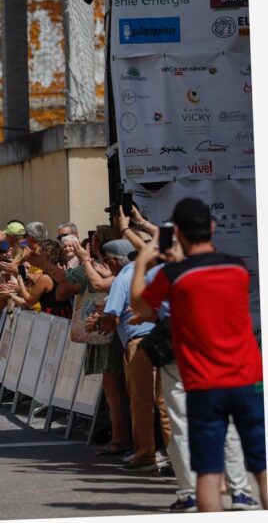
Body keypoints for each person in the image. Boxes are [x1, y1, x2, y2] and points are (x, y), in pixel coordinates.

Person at [132, 197, 266, 511]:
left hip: (205, 382)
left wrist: (143, 262)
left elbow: (139, 305)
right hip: (248, 377)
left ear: (177, 233)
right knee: (260, 464)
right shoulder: (238, 267)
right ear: (213, 227)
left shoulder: (174, 275)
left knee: (207, 471)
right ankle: (244, 495)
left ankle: (195, 499)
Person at [87, 239, 170, 472]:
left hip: (140, 344)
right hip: (164, 340)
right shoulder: (156, 272)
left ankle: (145, 455)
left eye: (104, 261)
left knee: (141, 402)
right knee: (165, 402)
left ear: (113, 260)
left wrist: (97, 323)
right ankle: (174, 455)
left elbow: (112, 320)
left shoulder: (124, 278)